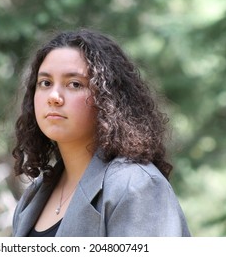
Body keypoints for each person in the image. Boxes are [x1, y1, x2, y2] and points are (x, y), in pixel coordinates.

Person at [11, 28, 191, 237]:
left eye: (74, 84)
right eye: (45, 83)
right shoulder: (34, 195)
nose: (54, 96)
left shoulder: (136, 186)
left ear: (107, 99)